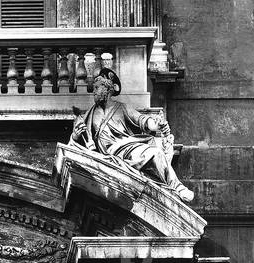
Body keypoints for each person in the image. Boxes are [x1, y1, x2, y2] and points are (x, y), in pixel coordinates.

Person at [70, 68, 194, 203]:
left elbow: (142, 120)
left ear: (108, 89)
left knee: (156, 153)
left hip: (126, 147)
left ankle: (177, 187)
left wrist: (155, 124)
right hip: (106, 155)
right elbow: (76, 144)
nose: (93, 91)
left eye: (97, 87)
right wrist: (75, 136)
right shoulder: (89, 114)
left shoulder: (121, 108)